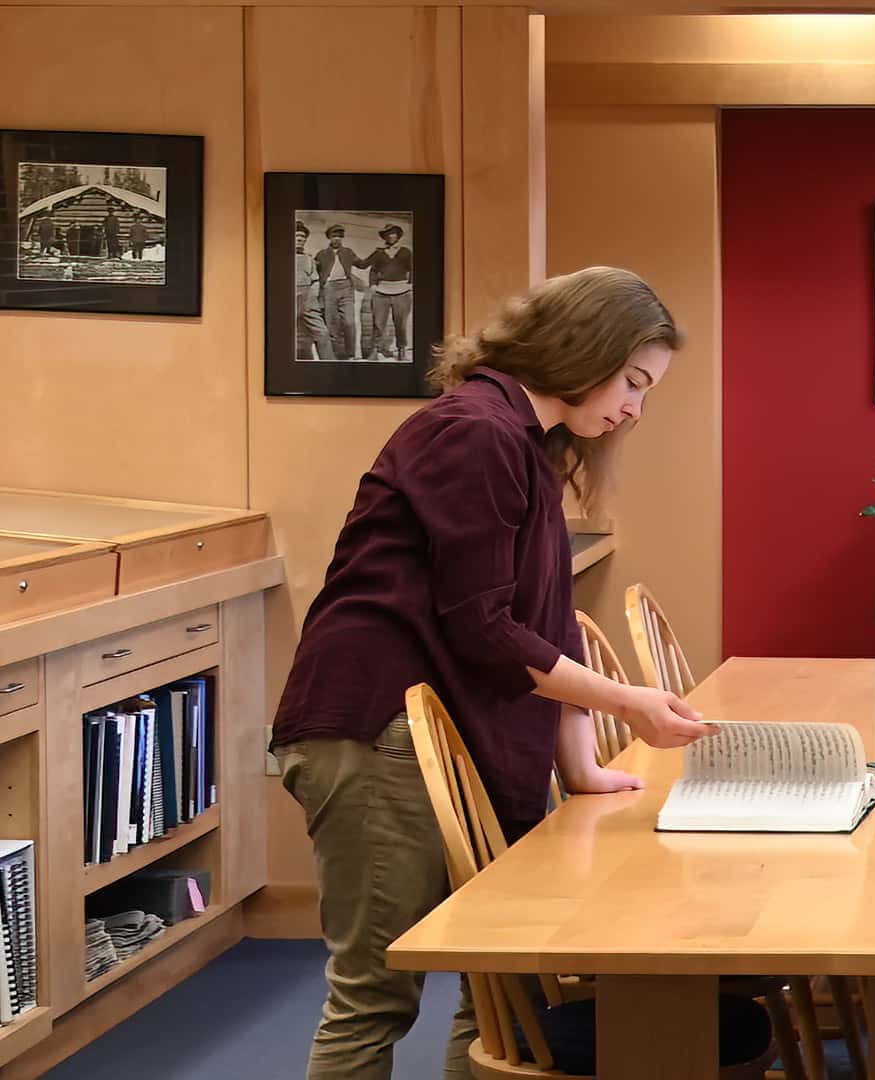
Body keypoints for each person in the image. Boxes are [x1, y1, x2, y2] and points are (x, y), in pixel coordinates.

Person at [271, 267, 759, 1080]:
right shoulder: (475, 432)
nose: (636, 408)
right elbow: (487, 630)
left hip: (434, 722)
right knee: (378, 994)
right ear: (583, 348)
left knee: (501, 986)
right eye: (633, 382)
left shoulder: (521, 444)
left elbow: (545, 622)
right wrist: (626, 704)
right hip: (378, 728)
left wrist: (580, 765)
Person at [314, 224, 363, 361]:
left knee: (349, 322)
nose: (337, 239)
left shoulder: (348, 252)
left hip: (346, 287)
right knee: (331, 323)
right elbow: (314, 271)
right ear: (329, 238)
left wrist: (378, 255)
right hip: (329, 289)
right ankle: (333, 356)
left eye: (340, 236)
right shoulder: (321, 254)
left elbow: (363, 264)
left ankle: (351, 355)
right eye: (334, 236)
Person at [366, 224, 415, 361]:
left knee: (400, 323)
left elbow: (413, 268)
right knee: (378, 323)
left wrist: (410, 284)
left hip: (402, 292)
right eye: (388, 234)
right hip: (381, 292)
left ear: (398, 236)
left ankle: (402, 351)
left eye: (393, 233)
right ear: (385, 237)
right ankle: (374, 351)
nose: (391, 236)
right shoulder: (379, 252)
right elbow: (372, 269)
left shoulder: (405, 251)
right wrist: (373, 285)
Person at [293, 222, 333, 361]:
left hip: (307, 298)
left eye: (303, 237)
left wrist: (312, 298)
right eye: (297, 235)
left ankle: (330, 367)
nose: (300, 239)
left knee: (322, 333)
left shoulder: (309, 259)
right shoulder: (278, 257)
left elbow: (315, 280)